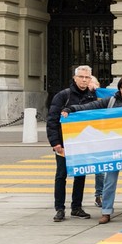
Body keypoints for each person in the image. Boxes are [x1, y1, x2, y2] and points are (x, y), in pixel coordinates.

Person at [63, 75, 122, 224]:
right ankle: (106, 211)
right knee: (109, 182)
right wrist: (72, 108)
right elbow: (90, 107)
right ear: (119, 88)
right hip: (112, 149)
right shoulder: (111, 101)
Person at [46, 65, 96, 222]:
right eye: (81, 77)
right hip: (64, 143)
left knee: (80, 175)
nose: (84, 80)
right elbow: (52, 120)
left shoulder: (92, 97)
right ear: (74, 78)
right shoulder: (63, 96)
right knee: (61, 175)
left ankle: (76, 207)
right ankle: (59, 209)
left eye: (87, 77)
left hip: (82, 143)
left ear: (90, 79)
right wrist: (55, 143)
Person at [88, 76, 106, 208]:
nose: (90, 84)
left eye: (92, 82)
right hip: (93, 137)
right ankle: (99, 195)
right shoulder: (86, 96)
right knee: (100, 169)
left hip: (106, 136)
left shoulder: (104, 97)